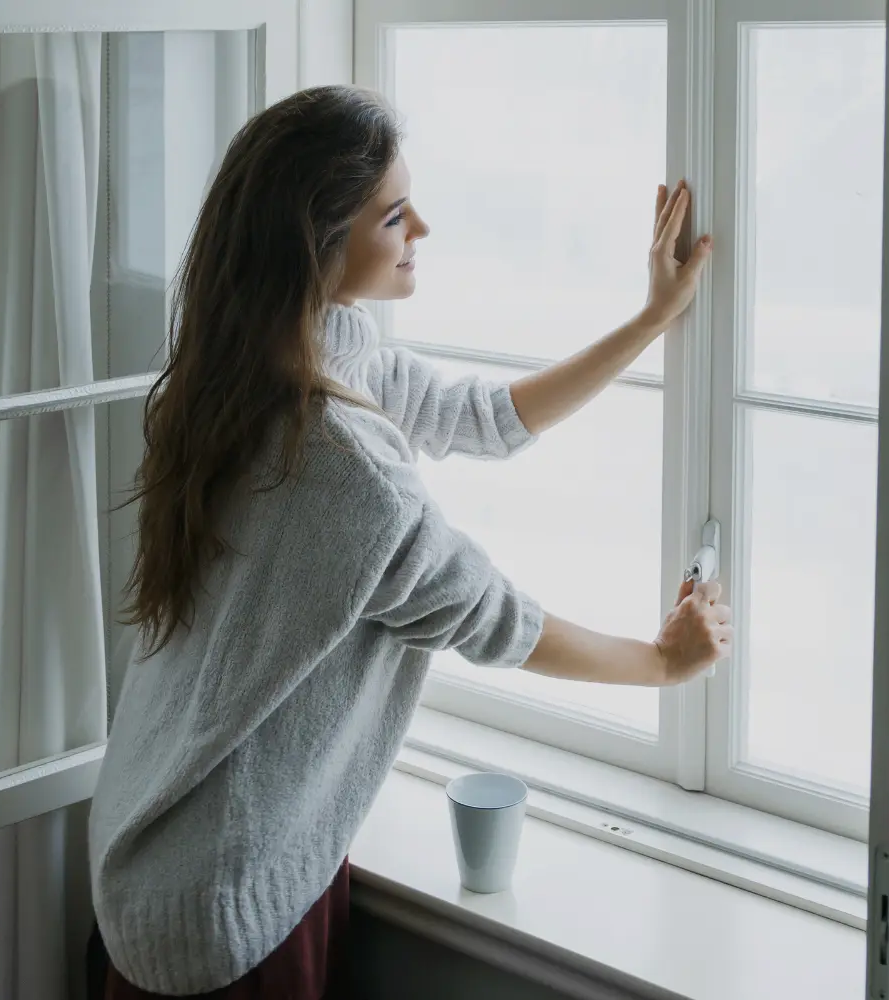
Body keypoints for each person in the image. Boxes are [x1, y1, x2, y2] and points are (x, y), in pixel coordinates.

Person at [87, 84, 730, 1000]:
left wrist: (652, 319)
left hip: (157, 850)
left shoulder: (261, 358)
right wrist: (663, 663)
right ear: (316, 242)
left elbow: (481, 417)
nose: (420, 228)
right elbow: (496, 621)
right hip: (222, 904)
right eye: (394, 216)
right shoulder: (342, 469)